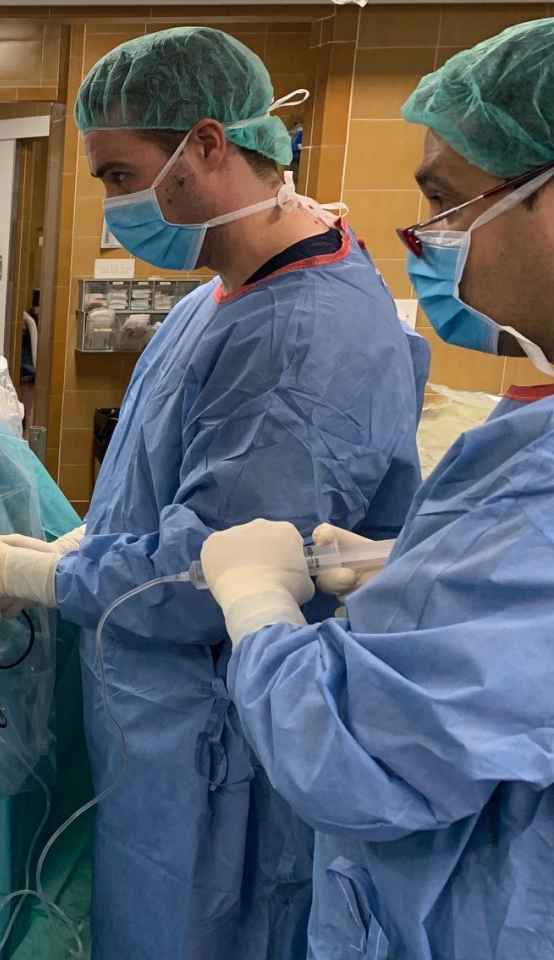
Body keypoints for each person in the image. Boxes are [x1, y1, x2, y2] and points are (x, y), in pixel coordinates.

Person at [0, 26, 431, 960]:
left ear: (211, 143)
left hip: (222, 752)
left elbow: (216, 573)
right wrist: (72, 547)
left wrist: (30, 578)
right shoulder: (215, 296)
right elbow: (157, 505)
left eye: (118, 175)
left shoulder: (301, 340)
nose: (113, 207)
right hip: (159, 722)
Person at [198, 18, 554, 959]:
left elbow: (351, 756)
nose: (432, 241)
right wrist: (416, 565)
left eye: (448, 204)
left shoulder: (314, 328)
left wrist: (257, 603)